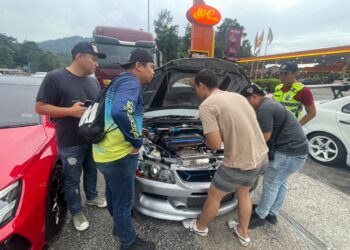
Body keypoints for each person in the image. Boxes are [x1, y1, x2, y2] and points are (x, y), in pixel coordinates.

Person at [182, 69, 268, 247]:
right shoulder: (237, 96)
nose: (197, 93)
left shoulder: (207, 105)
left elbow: (214, 145)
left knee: (214, 196)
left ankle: (200, 227)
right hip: (261, 157)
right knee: (244, 194)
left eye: (196, 88)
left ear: (202, 86)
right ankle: (243, 233)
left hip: (239, 164)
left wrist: (204, 141)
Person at [35, 42, 107, 231]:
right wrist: (70, 111)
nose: (96, 64)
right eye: (94, 58)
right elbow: (40, 107)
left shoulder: (93, 81)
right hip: (70, 141)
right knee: (72, 178)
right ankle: (76, 211)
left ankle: (91, 197)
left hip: (92, 140)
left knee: (92, 171)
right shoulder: (55, 78)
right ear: (79, 56)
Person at [93, 49, 155, 250]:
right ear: (139, 65)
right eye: (151, 67)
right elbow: (120, 111)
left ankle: (119, 227)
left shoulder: (118, 80)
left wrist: (137, 126)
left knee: (112, 192)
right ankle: (128, 243)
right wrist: (136, 140)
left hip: (103, 152)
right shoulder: (131, 82)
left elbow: (117, 112)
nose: (153, 72)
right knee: (124, 201)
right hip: (119, 155)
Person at [240, 84, 309, 229]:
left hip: (288, 153)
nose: (245, 105)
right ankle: (272, 213)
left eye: (245, 101)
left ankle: (260, 215)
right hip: (298, 151)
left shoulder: (264, 109)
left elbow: (264, 137)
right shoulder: (269, 103)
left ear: (253, 96)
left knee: (271, 183)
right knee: (281, 182)